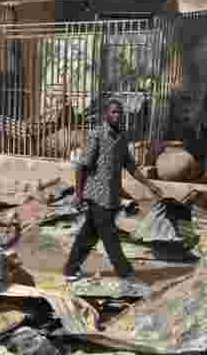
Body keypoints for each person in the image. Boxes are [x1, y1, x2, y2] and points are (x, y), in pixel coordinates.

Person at [64, 99, 164, 295]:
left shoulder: (121, 138)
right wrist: (78, 193)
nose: (117, 115)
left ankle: (71, 269)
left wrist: (149, 184)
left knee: (89, 234)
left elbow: (130, 165)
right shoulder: (97, 135)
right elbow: (82, 165)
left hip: (111, 196)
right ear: (105, 115)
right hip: (97, 195)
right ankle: (126, 274)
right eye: (114, 112)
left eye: (120, 112)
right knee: (110, 237)